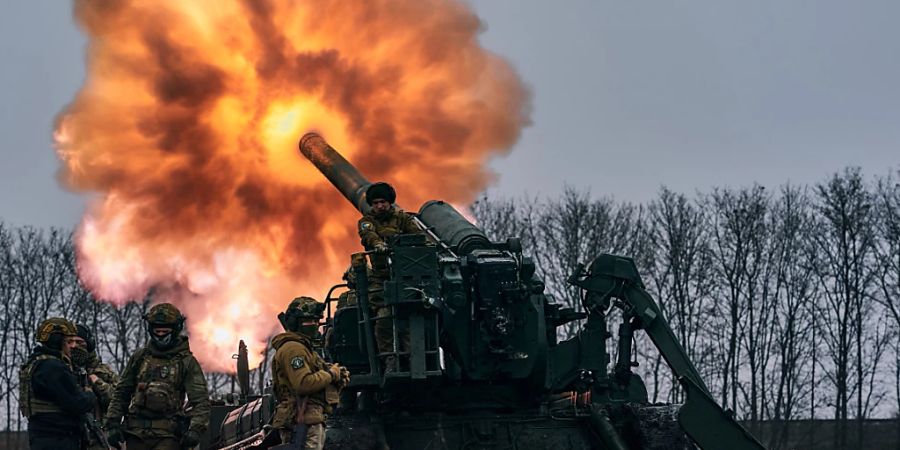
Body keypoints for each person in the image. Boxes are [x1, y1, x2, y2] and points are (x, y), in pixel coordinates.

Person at [104, 303, 210, 450]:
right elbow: (122, 392)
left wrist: (195, 430)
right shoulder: (140, 357)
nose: (160, 335)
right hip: (135, 434)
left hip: (168, 436)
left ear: (175, 330)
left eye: (165, 331)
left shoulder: (186, 362)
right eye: (157, 331)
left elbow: (200, 401)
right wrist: (113, 423)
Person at [357, 182, 423, 371]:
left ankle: (414, 360)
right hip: (381, 280)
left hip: (406, 279)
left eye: (383, 202)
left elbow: (418, 238)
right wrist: (378, 245)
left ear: (390, 202)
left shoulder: (403, 219)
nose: (379, 206)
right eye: (375, 203)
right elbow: (368, 235)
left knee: (411, 318)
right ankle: (389, 359)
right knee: (384, 318)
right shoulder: (367, 221)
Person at [272, 296, 348, 449]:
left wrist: (338, 373)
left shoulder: (304, 348)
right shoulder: (293, 349)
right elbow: (303, 383)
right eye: (309, 321)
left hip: (311, 418)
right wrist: (331, 375)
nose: (314, 325)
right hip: (301, 421)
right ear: (296, 323)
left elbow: (320, 372)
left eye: (316, 320)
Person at [18, 317, 97, 450]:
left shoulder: (35, 363)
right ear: (57, 342)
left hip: (43, 436)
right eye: (69, 341)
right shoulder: (53, 367)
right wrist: (90, 394)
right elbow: (76, 402)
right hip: (59, 438)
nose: (73, 346)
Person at [71, 324, 119, 450]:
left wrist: (97, 383)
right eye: (71, 342)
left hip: (97, 434)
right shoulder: (63, 370)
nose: (75, 346)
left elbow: (117, 399)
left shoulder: (103, 371)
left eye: (79, 342)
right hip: (70, 434)